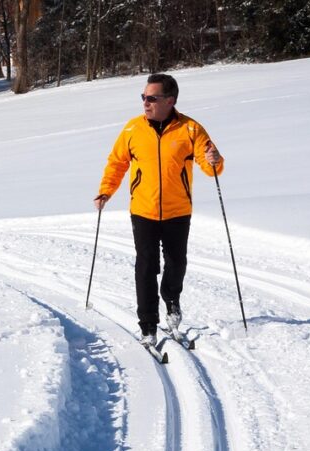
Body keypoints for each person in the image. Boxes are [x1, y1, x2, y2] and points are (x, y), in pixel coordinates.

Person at [94, 73, 223, 346]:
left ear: (170, 100)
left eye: (152, 98)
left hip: (178, 211)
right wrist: (106, 191)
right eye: (143, 97)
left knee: (176, 265)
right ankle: (148, 324)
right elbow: (117, 163)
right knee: (146, 267)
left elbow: (209, 162)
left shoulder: (190, 129)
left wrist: (215, 159)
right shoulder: (132, 130)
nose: (145, 103)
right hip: (143, 211)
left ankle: (172, 300)